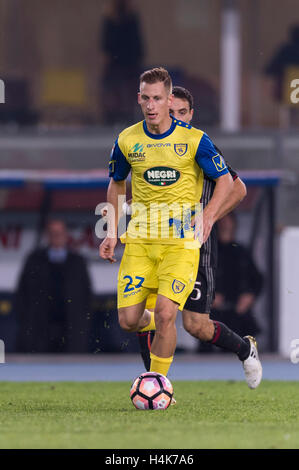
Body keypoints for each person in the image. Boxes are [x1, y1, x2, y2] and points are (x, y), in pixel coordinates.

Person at [100, 67, 236, 380]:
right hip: (140, 243)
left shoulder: (194, 141)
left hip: (180, 244)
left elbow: (226, 182)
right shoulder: (126, 140)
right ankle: (158, 343)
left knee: (165, 313)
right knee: (128, 321)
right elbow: (117, 184)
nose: (151, 105)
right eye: (145, 98)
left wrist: (209, 214)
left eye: (157, 98)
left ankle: (159, 384)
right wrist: (111, 231)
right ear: (138, 99)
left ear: (168, 99)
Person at [135, 86, 262, 389]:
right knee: (149, 313)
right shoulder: (149, 143)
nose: (175, 118)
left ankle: (245, 348)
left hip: (194, 247)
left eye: (182, 113)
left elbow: (239, 188)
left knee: (196, 325)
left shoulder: (198, 145)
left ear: (191, 115)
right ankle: (155, 384)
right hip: (156, 242)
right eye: (171, 111)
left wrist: (207, 219)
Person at [15, 219, 92, 353]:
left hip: (71, 326)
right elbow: (23, 292)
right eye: (53, 233)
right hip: (40, 326)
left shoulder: (78, 261)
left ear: (66, 235)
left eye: (60, 233)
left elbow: (86, 294)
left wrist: (82, 322)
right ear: (47, 235)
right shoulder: (34, 260)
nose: (56, 236)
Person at [211, 212, 263, 340]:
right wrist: (208, 297)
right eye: (221, 223)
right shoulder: (210, 252)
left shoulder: (241, 252)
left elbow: (257, 279)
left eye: (227, 223)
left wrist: (249, 295)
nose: (225, 226)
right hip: (214, 313)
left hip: (238, 312)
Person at [100, 0, 144, 124]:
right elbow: (106, 44)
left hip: (127, 62)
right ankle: (116, 116)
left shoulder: (130, 18)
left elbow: (137, 43)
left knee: (126, 92)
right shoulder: (111, 19)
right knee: (116, 92)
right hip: (118, 62)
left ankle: (124, 116)